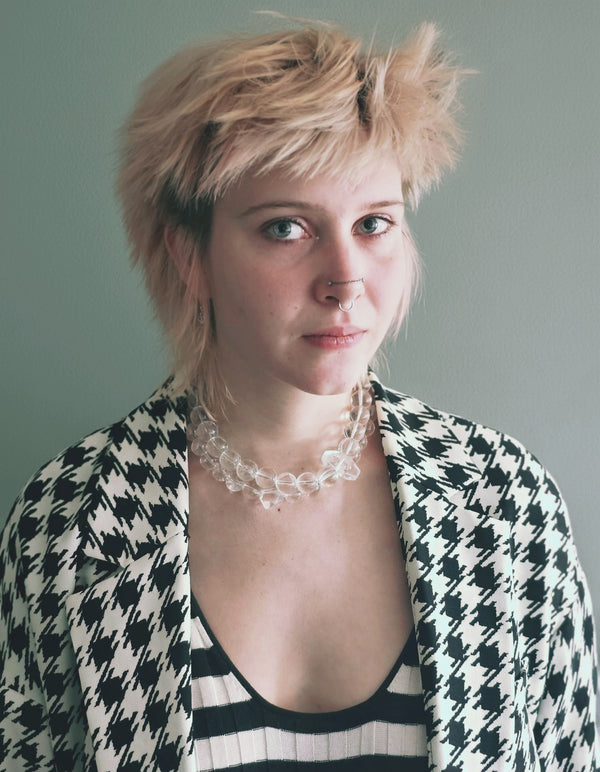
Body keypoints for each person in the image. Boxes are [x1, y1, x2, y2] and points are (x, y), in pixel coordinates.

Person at [0, 20, 596, 772]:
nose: (345, 278)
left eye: (374, 223)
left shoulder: (504, 501)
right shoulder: (69, 524)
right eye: (286, 227)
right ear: (188, 254)